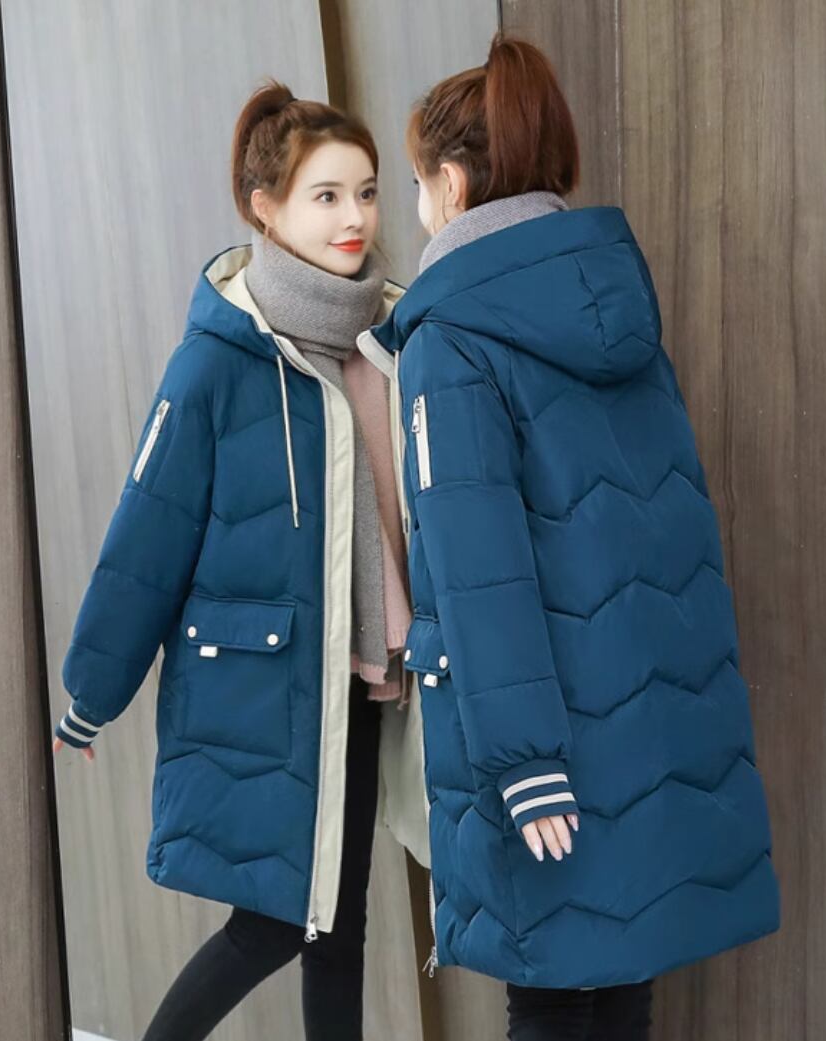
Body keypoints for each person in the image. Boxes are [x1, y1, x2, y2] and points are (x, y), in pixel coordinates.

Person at [355, 33, 781, 1041]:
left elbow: (479, 570)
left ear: (452, 186)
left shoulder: (449, 338)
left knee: (547, 987)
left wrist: (524, 762)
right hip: (645, 708)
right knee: (619, 957)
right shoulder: (615, 306)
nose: (414, 207)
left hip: (539, 726)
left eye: (414, 183)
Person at [52, 81, 413, 1041]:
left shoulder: (388, 341)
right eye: (325, 196)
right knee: (277, 920)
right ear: (266, 209)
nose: (353, 217)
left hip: (361, 679)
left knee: (337, 923)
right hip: (264, 682)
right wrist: (92, 689)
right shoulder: (218, 359)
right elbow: (147, 536)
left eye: (366, 191)